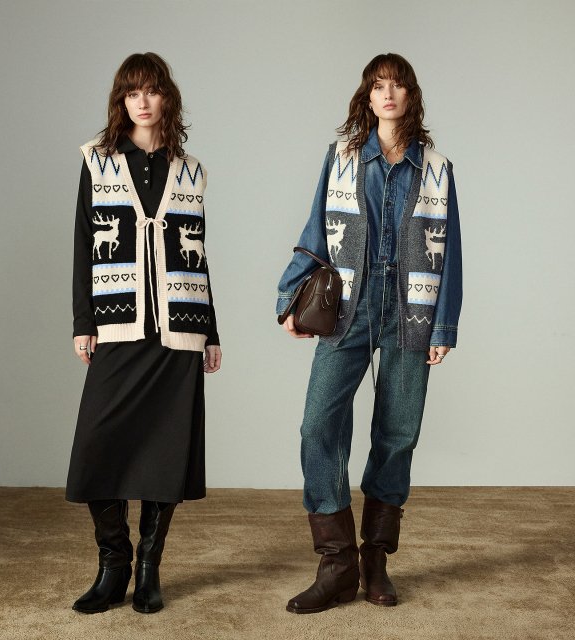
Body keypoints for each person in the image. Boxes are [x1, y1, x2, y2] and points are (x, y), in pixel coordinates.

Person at [277, 53, 462, 614]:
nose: (388, 94)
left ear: (410, 96)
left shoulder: (437, 167)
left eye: (397, 85)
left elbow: (450, 251)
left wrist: (444, 324)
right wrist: (290, 297)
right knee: (318, 425)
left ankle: (376, 559)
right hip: (349, 307)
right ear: (368, 95)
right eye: (378, 85)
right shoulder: (341, 158)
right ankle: (337, 565)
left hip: (411, 310)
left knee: (398, 433)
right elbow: (315, 229)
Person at [66, 52, 221, 615]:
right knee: (96, 447)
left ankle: (150, 568)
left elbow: (196, 255)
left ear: (166, 98)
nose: (142, 101)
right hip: (119, 324)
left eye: (151, 90)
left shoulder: (190, 170)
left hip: (179, 330)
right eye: (132, 92)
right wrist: (84, 323)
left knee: (165, 452)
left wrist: (212, 331)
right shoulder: (99, 160)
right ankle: (114, 564)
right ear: (122, 100)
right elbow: (83, 245)